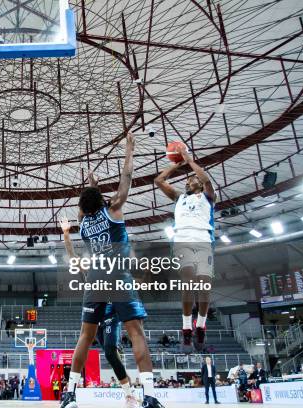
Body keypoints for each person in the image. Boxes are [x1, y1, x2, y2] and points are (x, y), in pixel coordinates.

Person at [59, 132, 163, 408]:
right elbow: (125, 179)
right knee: (136, 333)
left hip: (95, 277)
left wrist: (91, 185)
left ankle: (70, 394)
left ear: (83, 207)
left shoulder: (82, 222)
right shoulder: (114, 209)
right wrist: (130, 149)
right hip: (118, 274)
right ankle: (150, 396)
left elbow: (89, 203)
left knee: (85, 336)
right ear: (103, 201)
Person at [155, 145, 216, 352]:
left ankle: (201, 325)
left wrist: (189, 160)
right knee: (189, 281)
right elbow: (158, 181)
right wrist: (177, 165)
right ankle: (186, 328)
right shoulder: (179, 197)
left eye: (192, 179)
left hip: (203, 239)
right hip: (183, 240)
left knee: (204, 285)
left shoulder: (208, 197)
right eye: (187, 180)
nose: (189, 181)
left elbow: (206, 179)